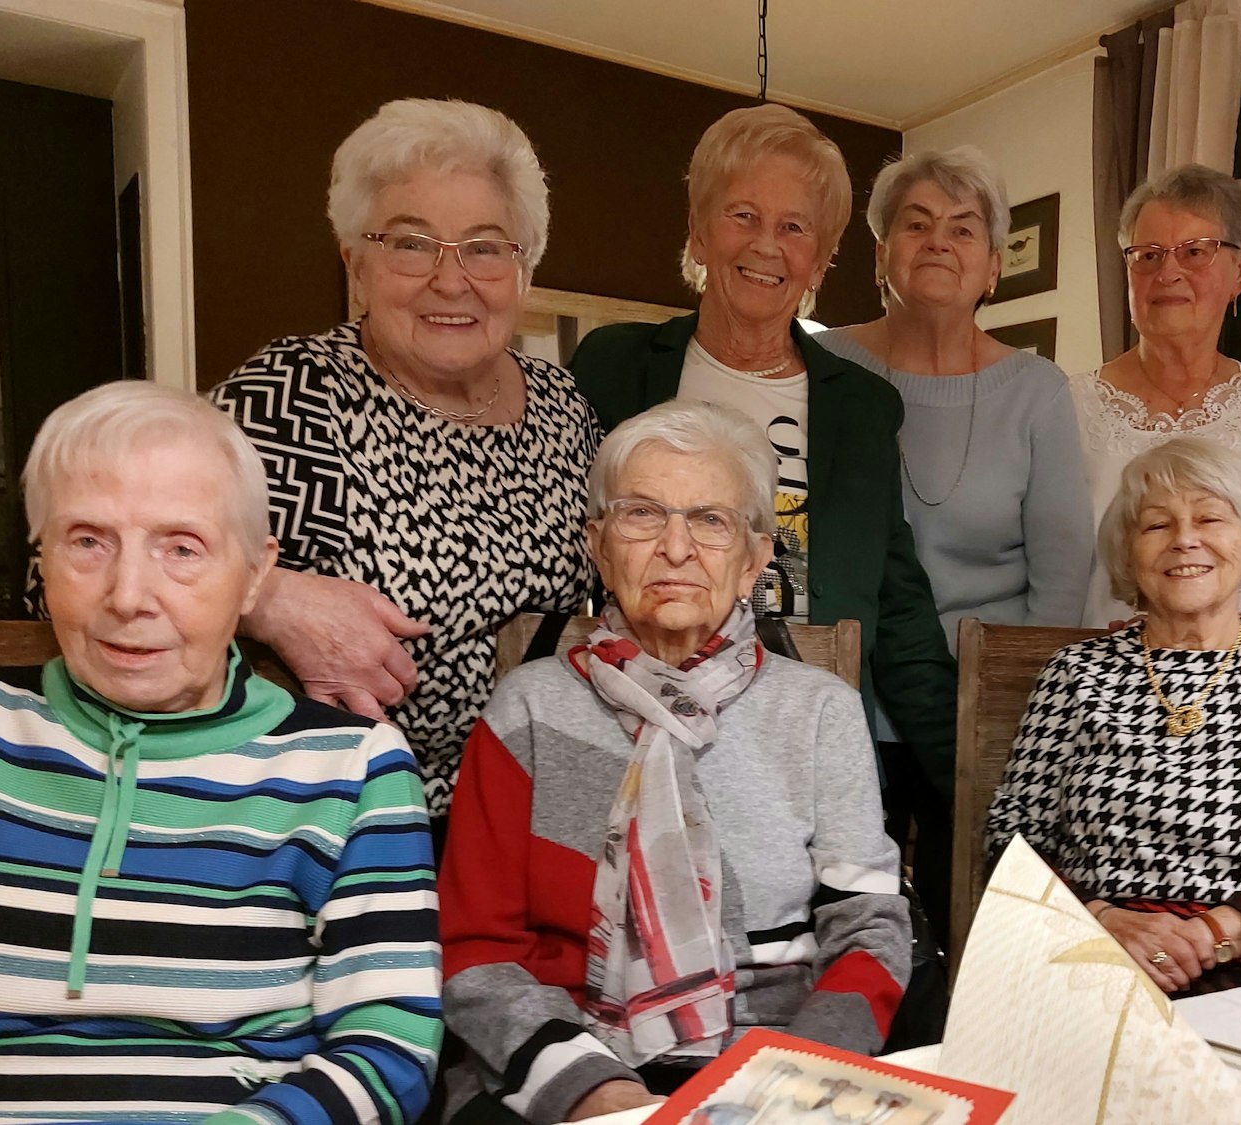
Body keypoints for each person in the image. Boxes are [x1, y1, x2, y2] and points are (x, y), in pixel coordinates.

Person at [0, 383, 440, 1120]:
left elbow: (390, 1048)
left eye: (181, 548)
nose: (128, 594)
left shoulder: (350, 770)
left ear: (255, 572)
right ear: (42, 556)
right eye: (88, 541)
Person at [439, 401, 909, 1122]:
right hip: (567, 1061)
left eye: (711, 520)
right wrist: (597, 1089)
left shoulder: (820, 709)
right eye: (642, 515)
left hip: (779, 1059)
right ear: (598, 545)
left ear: (754, 558)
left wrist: (798, 1076)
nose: (677, 547)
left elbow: (869, 924)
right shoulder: (526, 709)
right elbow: (475, 952)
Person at [572, 106, 957, 848]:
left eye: (794, 227)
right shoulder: (613, 366)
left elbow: (899, 611)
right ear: (698, 229)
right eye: (742, 215)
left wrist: (981, 795)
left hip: (805, 751)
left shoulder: (863, 409)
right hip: (629, 729)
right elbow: (567, 551)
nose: (765, 245)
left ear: (823, 256)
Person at [208, 98, 601, 821]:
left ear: (525, 268)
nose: (451, 281)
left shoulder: (563, 408)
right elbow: (83, 569)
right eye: (412, 243)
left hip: (529, 826)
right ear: (355, 261)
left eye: (485, 246)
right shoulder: (296, 394)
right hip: (334, 830)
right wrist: (268, 599)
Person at [814, 146, 1092, 941]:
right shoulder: (825, 364)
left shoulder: (1036, 389)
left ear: (994, 267)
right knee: (841, 914)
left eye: (964, 228)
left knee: (972, 918)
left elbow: (1063, 572)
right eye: (917, 222)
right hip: (846, 688)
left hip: (978, 703)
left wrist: (1017, 711)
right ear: (881, 255)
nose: (940, 240)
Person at [986, 436, 1241, 995]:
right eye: (1156, 526)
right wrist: (1099, 920)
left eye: (1211, 518)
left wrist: (1212, 936)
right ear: (1128, 552)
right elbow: (1013, 836)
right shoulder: (1077, 674)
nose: (1185, 540)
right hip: (1093, 952)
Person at [1068, 164, 1241, 644]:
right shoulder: (1066, 406)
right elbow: (1047, 563)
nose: (1168, 272)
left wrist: (1226, 648)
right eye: (1148, 255)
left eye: (1195, 253)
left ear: (1240, 271)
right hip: (1099, 679)